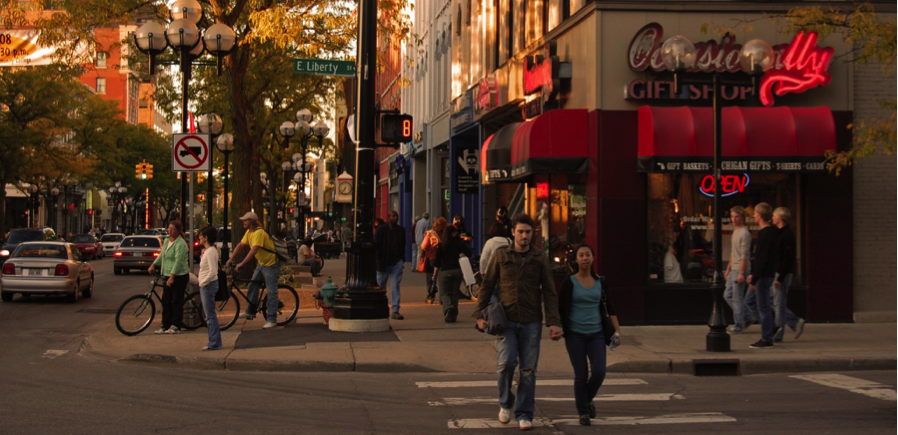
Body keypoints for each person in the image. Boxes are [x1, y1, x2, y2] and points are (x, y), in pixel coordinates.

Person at [473, 213, 563, 430]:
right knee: (505, 365)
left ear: (533, 233)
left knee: (528, 370)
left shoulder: (539, 258)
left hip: (532, 322)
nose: (524, 236)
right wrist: (479, 314)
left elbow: (550, 292)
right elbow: (487, 285)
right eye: (520, 232)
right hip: (506, 321)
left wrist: (554, 322)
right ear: (513, 232)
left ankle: (524, 413)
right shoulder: (501, 254)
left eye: (528, 232)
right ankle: (505, 403)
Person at [558, 243, 620, 426]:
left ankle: (587, 399)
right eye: (581, 255)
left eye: (588, 255)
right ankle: (583, 412)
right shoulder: (569, 282)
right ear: (576, 259)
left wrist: (617, 333)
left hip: (597, 334)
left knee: (600, 371)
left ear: (593, 258)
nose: (585, 258)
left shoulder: (601, 282)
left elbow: (610, 307)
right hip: (575, 334)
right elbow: (560, 309)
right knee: (581, 374)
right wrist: (558, 327)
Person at [226, 212, 281, 329]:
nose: (243, 222)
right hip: (261, 264)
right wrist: (231, 259)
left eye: (245, 220)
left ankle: (272, 319)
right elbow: (241, 245)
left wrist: (241, 263)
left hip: (271, 265)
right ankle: (250, 311)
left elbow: (254, 250)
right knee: (252, 285)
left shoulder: (259, 232)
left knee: (271, 292)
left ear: (252, 221)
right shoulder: (249, 232)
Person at [147, 221, 190, 335]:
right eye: (169, 228)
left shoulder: (180, 243)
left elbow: (178, 262)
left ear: (178, 231)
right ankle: (165, 325)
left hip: (179, 276)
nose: (170, 231)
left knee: (176, 301)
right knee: (166, 301)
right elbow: (162, 256)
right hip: (166, 274)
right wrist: (153, 264)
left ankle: (176, 325)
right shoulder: (167, 241)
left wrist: (172, 277)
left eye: (173, 229)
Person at [747, 203, 778, 349]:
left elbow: (762, 258)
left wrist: (754, 277)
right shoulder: (772, 232)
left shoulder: (765, 234)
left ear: (759, 216)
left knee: (763, 307)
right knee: (758, 303)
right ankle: (772, 327)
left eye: (755, 214)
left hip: (764, 275)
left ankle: (767, 338)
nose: (753, 216)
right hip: (767, 273)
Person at [772, 207, 805, 341]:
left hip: (782, 274)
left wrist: (780, 277)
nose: (773, 218)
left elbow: (787, 258)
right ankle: (793, 322)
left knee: (779, 303)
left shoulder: (787, 235)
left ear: (780, 218)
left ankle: (781, 332)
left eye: (774, 216)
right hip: (777, 272)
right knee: (775, 302)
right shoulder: (779, 233)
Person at [432, 225, 472, 322]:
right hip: (457, 271)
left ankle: (449, 308)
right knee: (454, 293)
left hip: (445, 271)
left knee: (445, 293)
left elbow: (437, 262)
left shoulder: (442, 245)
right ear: (453, 233)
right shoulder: (459, 244)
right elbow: (469, 254)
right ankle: (453, 315)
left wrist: (434, 276)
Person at [723, 206, 752, 334]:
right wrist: (728, 269)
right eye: (732, 216)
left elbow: (744, 255)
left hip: (740, 268)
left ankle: (739, 324)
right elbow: (733, 253)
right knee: (727, 295)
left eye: (737, 217)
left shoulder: (745, 233)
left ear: (742, 218)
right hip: (734, 267)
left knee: (737, 297)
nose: (734, 219)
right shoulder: (735, 231)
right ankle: (747, 317)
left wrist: (741, 272)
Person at [374, 210, 406, 320]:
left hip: (396, 262)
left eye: (396, 216)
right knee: (380, 287)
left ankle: (395, 310)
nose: (395, 218)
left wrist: (401, 259)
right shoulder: (381, 230)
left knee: (395, 286)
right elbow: (376, 245)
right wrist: (377, 260)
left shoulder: (401, 230)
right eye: (393, 216)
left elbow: (403, 244)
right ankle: (379, 308)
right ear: (388, 218)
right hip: (383, 263)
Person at [197, 225, 222, 351]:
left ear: (206, 238)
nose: (199, 239)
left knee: (210, 315)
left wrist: (203, 282)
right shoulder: (208, 251)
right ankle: (214, 341)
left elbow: (213, 272)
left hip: (208, 285)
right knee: (209, 315)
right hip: (206, 285)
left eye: (201, 237)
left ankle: (214, 342)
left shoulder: (211, 252)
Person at [421, 217, 447, 304]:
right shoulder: (446, 233)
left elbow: (423, 246)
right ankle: (442, 299)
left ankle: (430, 296)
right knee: (441, 279)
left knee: (431, 278)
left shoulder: (430, 234)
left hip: (431, 259)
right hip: (443, 258)